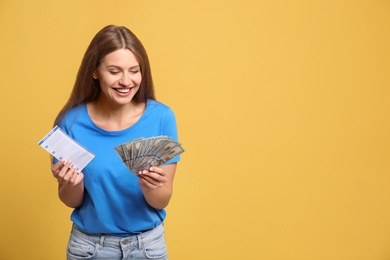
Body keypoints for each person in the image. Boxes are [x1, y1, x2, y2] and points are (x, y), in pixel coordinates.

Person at [50, 25, 181, 260]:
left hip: (148, 247)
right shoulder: (70, 122)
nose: (126, 81)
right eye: (114, 71)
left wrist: (152, 186)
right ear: (95, 71)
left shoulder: (162, 117)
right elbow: (70, 201)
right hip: (89, 248)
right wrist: (71, 183)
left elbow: (162, 200)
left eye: (134, 71)